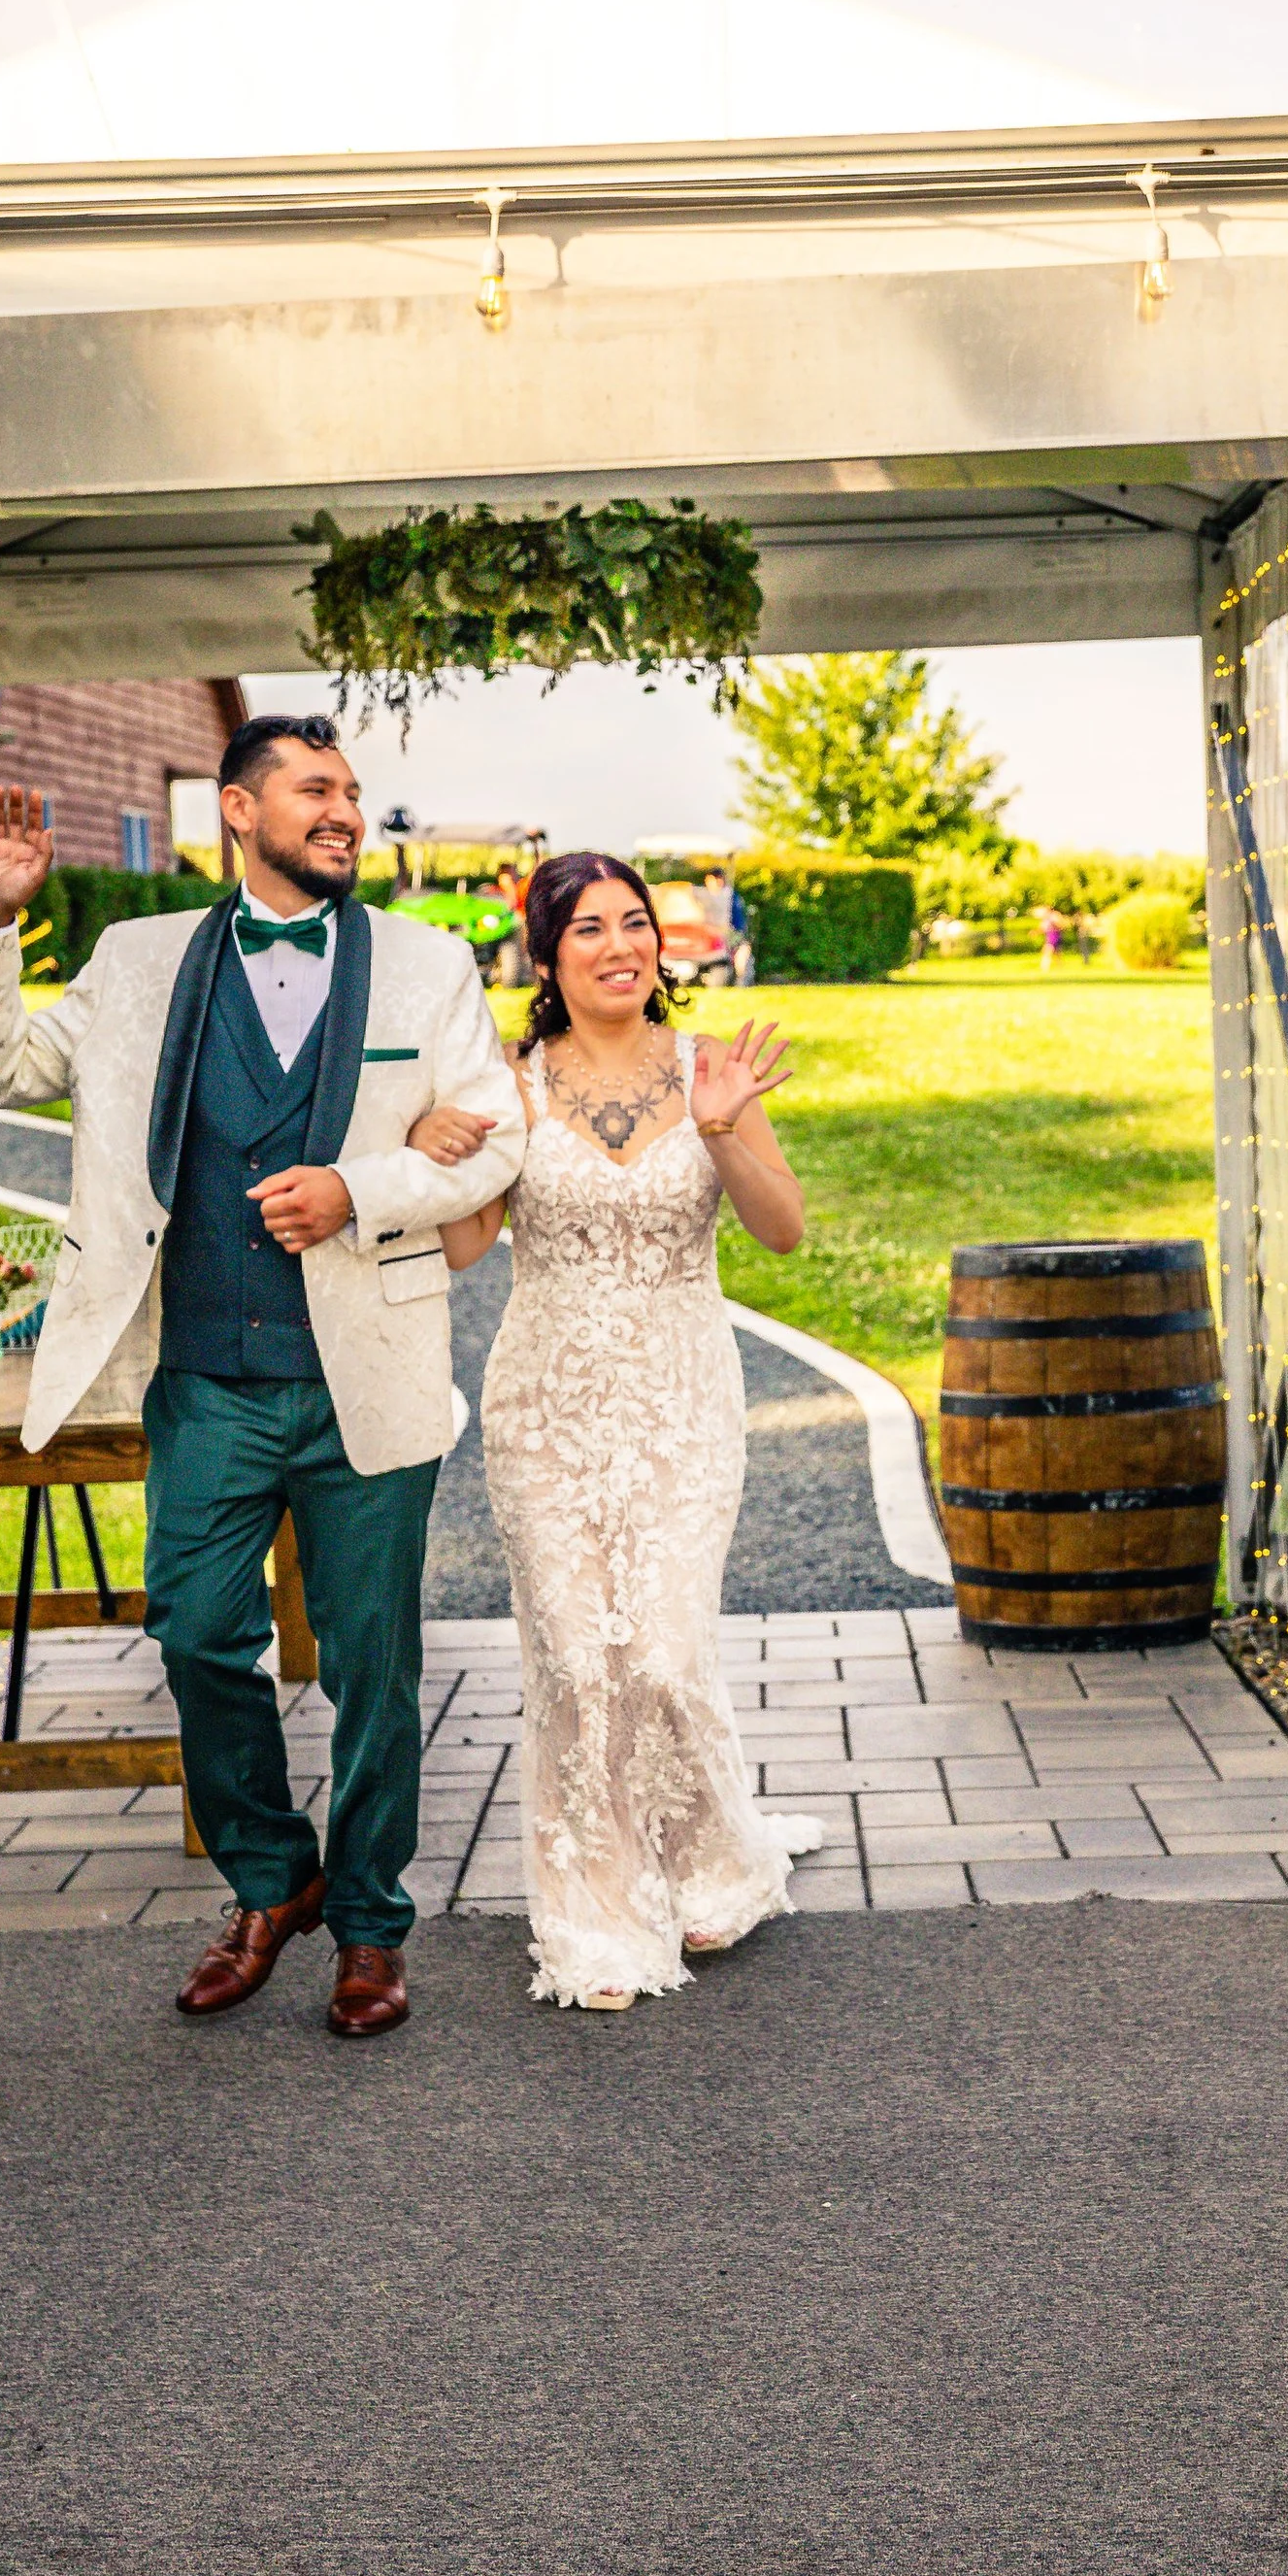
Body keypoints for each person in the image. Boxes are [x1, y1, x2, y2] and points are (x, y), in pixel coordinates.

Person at [0, 719, 524, 2040]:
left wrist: (362, 1187)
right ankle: (274, 1875)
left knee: (374, 1664)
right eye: (316, 790)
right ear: (240, 811)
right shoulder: (137, 961)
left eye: (354, 793)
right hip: (205, 1378)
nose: (344, 812)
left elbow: (498, 1139)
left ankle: (370, 1925)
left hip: (366, 1372)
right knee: (197, 1631)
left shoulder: (429, 967)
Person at [412, 853, 817, 2010]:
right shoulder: (511, 1085)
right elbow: (462, 1250)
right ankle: (593, 1915)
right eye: (587, 929)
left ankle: (706, 1859)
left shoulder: (709, 1070)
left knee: (666, 1654)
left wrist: (727, 1129)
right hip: (545, 1408)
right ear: (546, 957)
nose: (618, 945)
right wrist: (435, 1143)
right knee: (580, 1658)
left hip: (685, 1400)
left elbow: (781, 1231)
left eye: (634, 923)